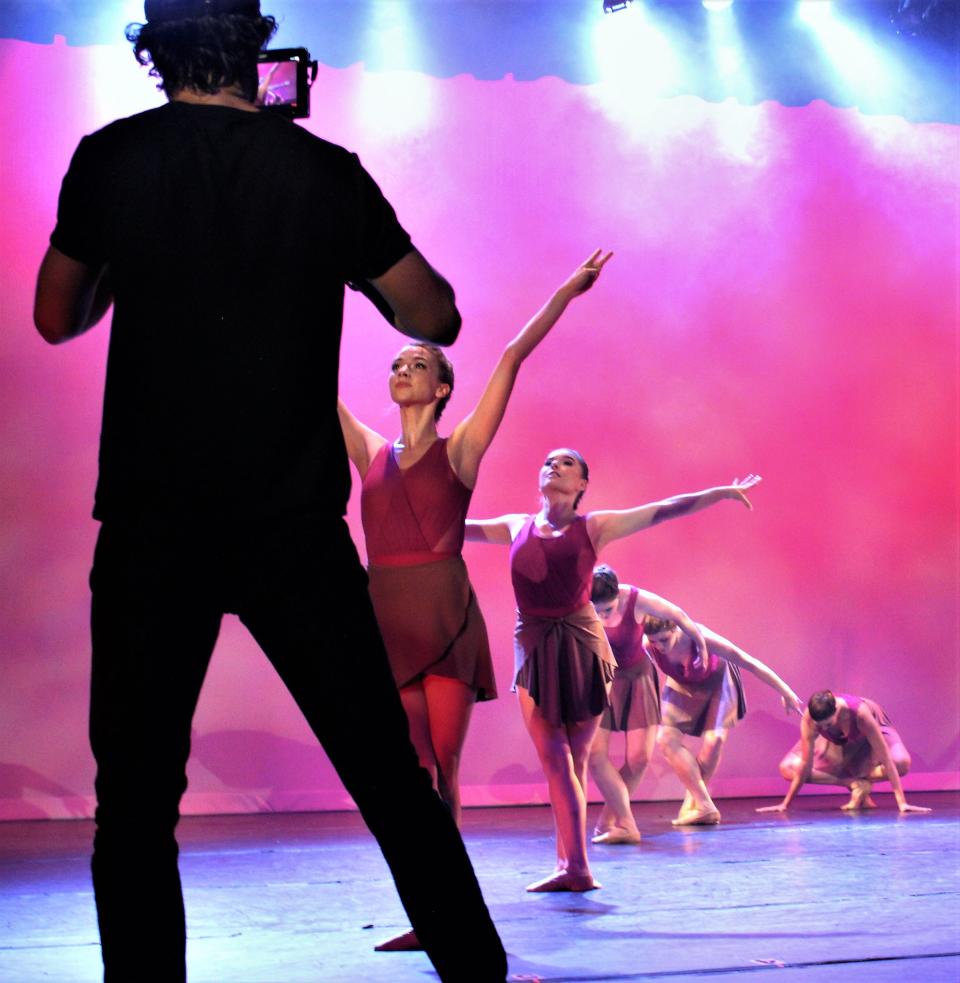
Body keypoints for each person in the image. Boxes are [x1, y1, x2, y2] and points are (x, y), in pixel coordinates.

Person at [33, 2, 506, 980]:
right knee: (388, 775)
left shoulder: (111, 158)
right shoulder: (321, 173)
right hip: (289, 523)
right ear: (261, 52)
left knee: (134, 800)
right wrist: (326, 246)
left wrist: (135, 255)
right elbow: (438, 313)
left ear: (155, 54)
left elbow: (55, 314)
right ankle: (474, 968)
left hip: (152, 523)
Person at [339, 251, 611, 950]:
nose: (402, 371)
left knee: (442, 769)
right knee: (409, 770)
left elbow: (513, 356)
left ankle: (442, 913)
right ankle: (432, 909)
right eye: (396, 363)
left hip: (444, 618)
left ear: (442, 388)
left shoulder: (461, 451)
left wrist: (564, 291)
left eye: (418, 365)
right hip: (385, 617)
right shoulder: (370, 449)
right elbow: (313, 383)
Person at [466, 450, 762, 891]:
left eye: (567, 463)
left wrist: (717, 493)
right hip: (532, 644)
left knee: (577, 757)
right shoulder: (515, 526)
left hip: (581, 645)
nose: (554, 465)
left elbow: (663, 510)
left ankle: (577, 866)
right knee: (554, 757)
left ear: (582, 483)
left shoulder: (595, 526)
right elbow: (453, 531)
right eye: (548, 460)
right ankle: (573, 865)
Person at [587, 565, 708, 844]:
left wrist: (700, 644)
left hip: (637, 678)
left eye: (608, 610)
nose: (603, 617)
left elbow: (677, 614)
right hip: (603, 677)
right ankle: (627, 824)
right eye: (598, 611)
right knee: (595, 755)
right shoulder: (583, 606)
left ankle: (609, 821)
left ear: (618, 595)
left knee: (639, 759)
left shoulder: (635, 600)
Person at [644, 615, 803, 826]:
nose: (659, 646)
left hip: (717, 680)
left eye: (664, 639)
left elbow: (750, 663)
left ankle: (695, 802)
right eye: (654, 641)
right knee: (665, 739)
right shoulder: (648, 645)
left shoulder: (701, 638)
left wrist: (786, 692)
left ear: (676, 629)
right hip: (682, 681)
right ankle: (705, 805)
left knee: (713, 741)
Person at [756, 690, 931, 814]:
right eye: (820, 725)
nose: (822, 728)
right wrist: (785, 804)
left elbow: (885, 757)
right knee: (788, 769)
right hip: (839, 743)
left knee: (901, 762)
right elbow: (805, 764)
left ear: (836, 712)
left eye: (827, 724)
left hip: (871, 732)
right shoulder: (811, 719)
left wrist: (902, 803)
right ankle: (856, 784)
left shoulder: (861, 714)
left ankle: (861, 780)